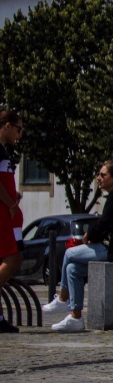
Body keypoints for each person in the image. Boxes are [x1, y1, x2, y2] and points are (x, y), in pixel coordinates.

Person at [44, 161, 113, 332]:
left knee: (69, 254)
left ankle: (62, 299)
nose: (99, 178)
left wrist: (89, 236)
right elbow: (109, 223)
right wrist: (94, 235)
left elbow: (104, 223)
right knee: (72, 270)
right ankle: (75, 317)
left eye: (103, 175)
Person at [0, 109, 25, 334]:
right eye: (18, 129)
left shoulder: (3, 151)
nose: (19, 135)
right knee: (13, 258)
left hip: (6, 212)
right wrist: (10, 204)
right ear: (7, 125)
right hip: (2, 213)